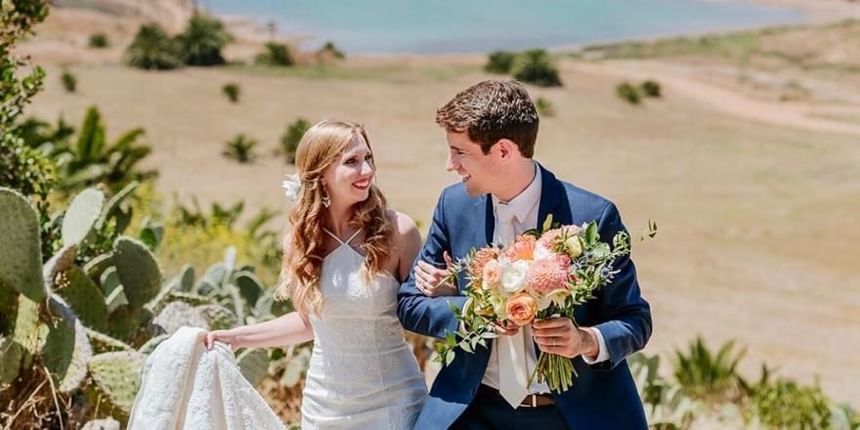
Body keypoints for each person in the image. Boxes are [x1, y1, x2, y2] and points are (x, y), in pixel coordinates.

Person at [397, 80, 652, 429]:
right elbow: (410, 303)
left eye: (460, 152)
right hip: (473, 410)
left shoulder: (592, 217)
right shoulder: (453, 206)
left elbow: (635, 319)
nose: (450, 164)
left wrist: (585, 340)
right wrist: (473, 311)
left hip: (572, 417)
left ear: (503, 150)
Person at [206, 120, 427, 430]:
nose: (366, 170)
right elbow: (310, 321)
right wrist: (236, 337)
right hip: (325, 407)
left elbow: (429, 310)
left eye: (368, 158)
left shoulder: (398, 231)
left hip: (394, 401)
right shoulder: (302, 240)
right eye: (351, 162)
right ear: (321, 172)